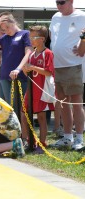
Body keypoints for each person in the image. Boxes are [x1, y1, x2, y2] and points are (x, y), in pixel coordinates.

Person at [49, 0, 85, 150]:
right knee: (63, 103)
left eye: (62, 2)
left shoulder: (82, 16)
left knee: (76, 102)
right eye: (57, 2)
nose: (59, 5)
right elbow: (52, 37)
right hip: (58, 65)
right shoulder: (55, 17)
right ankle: (67, 137)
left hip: (74, 65)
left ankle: (79, 139)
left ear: (71, 1)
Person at [0, 12, 33, 118]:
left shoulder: (24, 34)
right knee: (11, 106)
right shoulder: (5, 38)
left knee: (22, 106)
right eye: (3, 29)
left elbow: (28, 53)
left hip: (21, 76)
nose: (7, 30)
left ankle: (24, 133)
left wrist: (18, 69)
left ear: (13, 22)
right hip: (5, 76)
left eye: (7, 27)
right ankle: (15, 132)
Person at [21, 25, 55, 153]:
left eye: (33, 37)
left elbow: (48, 72)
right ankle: (29, 140)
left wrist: (33, 68)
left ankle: (42, 143)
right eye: (30, 37)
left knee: (41, 117)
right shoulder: (32, 54)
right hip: (30, 90)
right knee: (24, 114)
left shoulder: (48, 53)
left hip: (42, 90)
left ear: (42, 39)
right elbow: (28, 73)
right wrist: (25, 69)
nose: (31, 39)